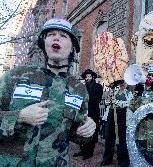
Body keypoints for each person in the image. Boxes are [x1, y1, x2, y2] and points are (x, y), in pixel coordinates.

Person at [0, 18, 96, 167]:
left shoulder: (79, 88)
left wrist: (88, 130)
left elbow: (75, 133)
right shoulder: (15, 76)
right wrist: (18, 117)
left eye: (63, 36)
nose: (56, 37)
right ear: (44, 44)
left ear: (72, 47)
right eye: (51, 34)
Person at [73, 69, 103, 160]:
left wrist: (87, 96)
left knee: (91, 132)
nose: (88, 78)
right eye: (86, 76)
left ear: (92, 77)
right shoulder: (82, 86)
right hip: (83, 112)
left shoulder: (98, 86)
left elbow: (98, 99)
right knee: (82, 131)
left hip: (93, 112)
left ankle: (89, 152)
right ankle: (82, 150)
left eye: (89, 76)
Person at [101, 80, 132, 166]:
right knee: (109, 138)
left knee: (122, 139)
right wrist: (109, 98)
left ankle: (123, 161)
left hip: (122, 117)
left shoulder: (129, 93)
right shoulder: (114, 91)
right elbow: (107, 102)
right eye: (121, 83)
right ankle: (107, 158)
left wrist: (117, 102)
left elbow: (129, 104)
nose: (122, 85)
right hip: (111, 116)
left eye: (124, 83)